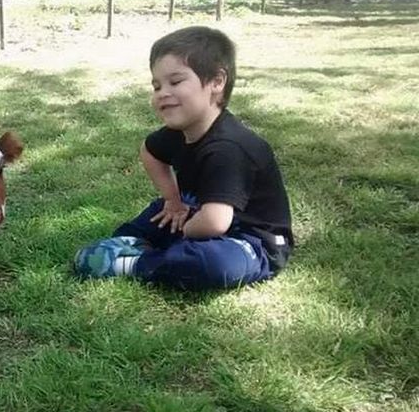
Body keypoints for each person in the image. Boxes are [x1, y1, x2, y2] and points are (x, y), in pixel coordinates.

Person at [74, 26, 293, 290]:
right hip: (200, 210)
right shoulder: (179, 132)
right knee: (157, 216)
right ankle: (135, 243)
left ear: (217, 81)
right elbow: (149, 152)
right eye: (156, 86)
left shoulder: (229, 148)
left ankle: (137, 263)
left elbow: (215, 222)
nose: (162, 93)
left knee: (215, 264)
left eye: (175, 82)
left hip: (250, 240)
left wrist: (186, 229)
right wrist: (172, 200)